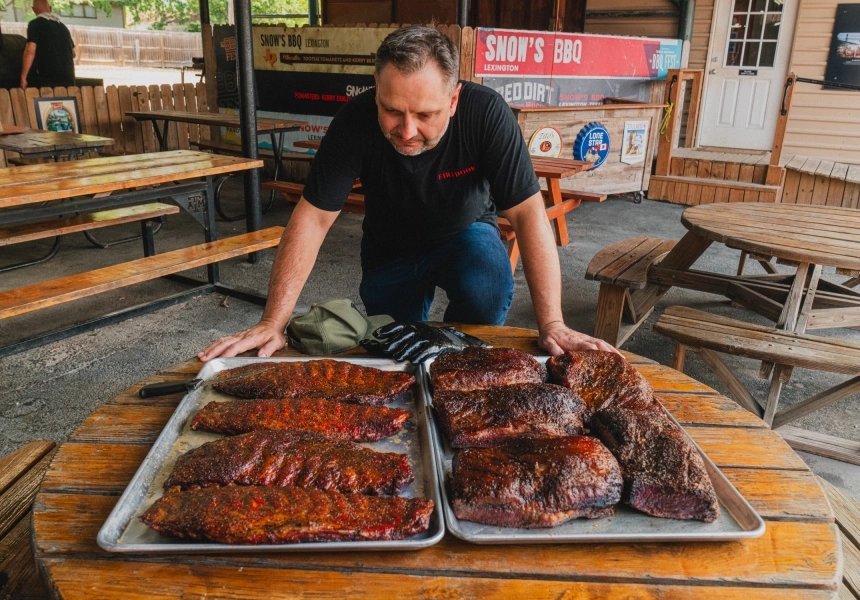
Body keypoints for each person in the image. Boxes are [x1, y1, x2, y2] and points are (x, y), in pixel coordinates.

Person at [199, 25, 618, 361]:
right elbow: (312, 218)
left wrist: (553, 325)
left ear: (453, 100)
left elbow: (528, 215)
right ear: (376, 92)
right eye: (392, 110)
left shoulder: (486, 114)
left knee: (482, 296)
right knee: (392, 356)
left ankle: (463, 360)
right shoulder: (354, 122)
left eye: (425, 114)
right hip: (389, 247)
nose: (407, 130)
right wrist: (273, 321)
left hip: (464, 235)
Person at [20, 0, 76, 90]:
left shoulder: (35, 24)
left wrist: (23, 77)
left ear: (34, 10)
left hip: (48, 78)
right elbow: (73, 54)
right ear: (50, 9)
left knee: (50, 104)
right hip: (69, 78)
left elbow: (30, 50)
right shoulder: (62, 27)